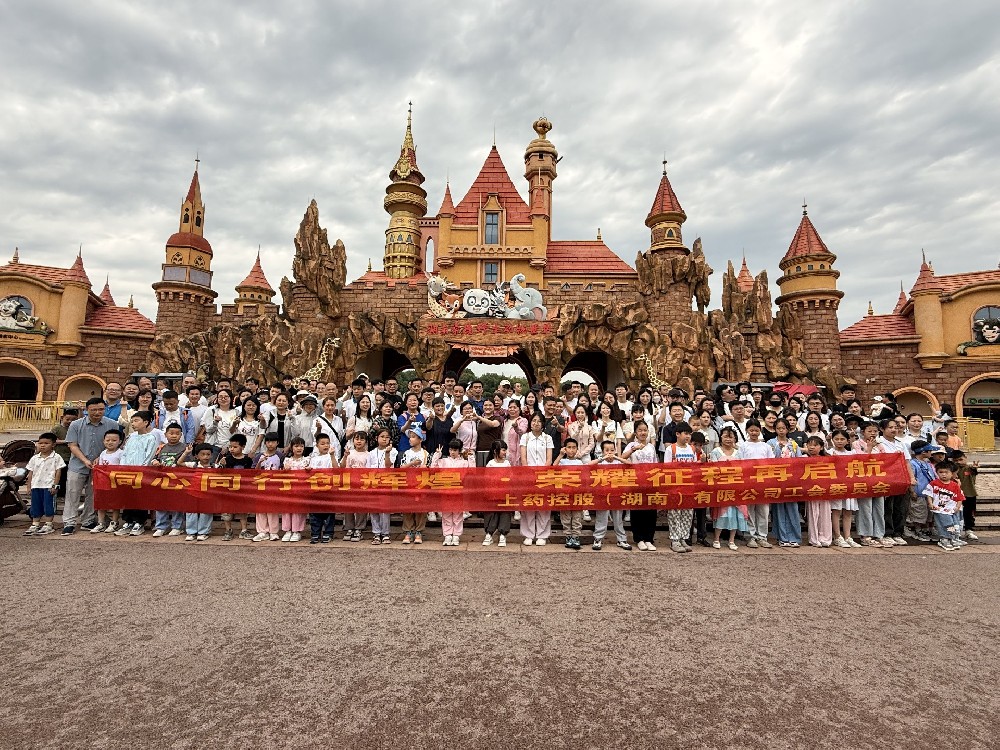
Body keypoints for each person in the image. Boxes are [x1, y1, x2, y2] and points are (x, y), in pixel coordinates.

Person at [62, 397, 120, 535]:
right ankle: (69, 522)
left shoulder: (112, 424)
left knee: (93, 494)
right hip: (78, 464)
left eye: (101, 409)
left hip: (100, 466)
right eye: (93, 410)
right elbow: (72, 445)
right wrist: (84, 460)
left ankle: (88, 520)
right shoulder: (76, 424)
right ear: (87, 410)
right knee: (72, 493)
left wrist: (100, 458)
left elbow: (115, 444)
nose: (97, 412)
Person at [115, 411, 160, 537]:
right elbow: (125, 453)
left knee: (140, 497)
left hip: (141, 473)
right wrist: (123, 468)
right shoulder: (131, 437)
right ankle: (128, 521)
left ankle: (140, 521)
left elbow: (149, 455)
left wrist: (142, 470)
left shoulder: (151, 438)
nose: (133, 424)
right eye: (132, 421)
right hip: (127, 472)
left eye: (136, 421)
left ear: (145, 422)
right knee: (128, 497)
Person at [661, 422, 702, 553]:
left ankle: (683, 538)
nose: (688, 436)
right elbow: (666, 469)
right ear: (678, 434)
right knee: (674, 514)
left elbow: (695, 468)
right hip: (675, 486)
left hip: (688, 487)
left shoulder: (692, 449)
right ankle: (674, 540)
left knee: (688, 514)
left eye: (689, 434)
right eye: (685, 433)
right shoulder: (671, 449)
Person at [709, 427, 749, 550]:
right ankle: (716, 539)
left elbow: (743, 469)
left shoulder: (739, 453)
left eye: (731, 437)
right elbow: (713, 469)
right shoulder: (715, 452)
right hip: (721, 488)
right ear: (721, 437)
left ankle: (732, 540)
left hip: (736, 487)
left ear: (735, 439)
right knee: (721, 514)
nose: (728, 439)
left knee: (736, 514)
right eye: (725, 436)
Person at [622, 421, 658, 551]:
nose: (643, 433)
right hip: (636, 481)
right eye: (640, 430)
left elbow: (655, 463)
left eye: (645, 430)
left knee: (650, 511)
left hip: (650, 482)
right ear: (636, 433)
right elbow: (622, 458)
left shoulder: (651, 447)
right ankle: (639, 539)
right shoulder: (631, 445)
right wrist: (633, 449)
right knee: (637, 511)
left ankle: (649, 539)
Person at [589, 440, 632, 551]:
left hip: (617, 494)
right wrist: (602, 458)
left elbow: (630, 464)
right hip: (603, 495)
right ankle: (598, 539)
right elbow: (588, 465)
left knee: (618, 518)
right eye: (607, 450)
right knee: (601, 518)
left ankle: (622, 539)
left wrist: (617, 457)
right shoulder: (600, 462)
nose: (609, 452)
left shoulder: (618, 462)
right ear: (602, 451)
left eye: (612, 450)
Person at [519, 413, 554, 545]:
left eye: (539, 421)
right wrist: (529, 473)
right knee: (529, 503)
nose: (536, 423)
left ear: (543, 424)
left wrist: (542, 473)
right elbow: (523, 458)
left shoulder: (547, 438)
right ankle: (528, 534)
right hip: (528, 475)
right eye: (534, 420)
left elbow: (549, 459)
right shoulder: (525, 437)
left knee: (543, 505)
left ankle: (542, 535)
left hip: (544, 476)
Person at [150, 423, 190, 537]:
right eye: (171, 433)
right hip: (162, 480)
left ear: (181, 435)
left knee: (177, 503)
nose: (174, 436)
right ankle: (161, 526)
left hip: (178, 480)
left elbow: (189, 463)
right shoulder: (161, 447)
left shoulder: (185, 448)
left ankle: (177, 526)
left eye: (177, 434)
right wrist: (155, 462)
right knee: (161, 503)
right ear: (166, 434)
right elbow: (154, 459)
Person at [433, 438, 475, 546]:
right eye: (451, 449)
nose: (452, 452)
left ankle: (456, 535)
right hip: (446, 491)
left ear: (459, 451)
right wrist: (437, 455)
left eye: (455, 450)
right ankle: (447, 535)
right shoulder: (444, 461)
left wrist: (470, 457)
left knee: (457, 514)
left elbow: (472, 471)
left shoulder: (464, 462)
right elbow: (433, 468)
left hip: (458, 492)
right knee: (446, 513)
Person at [23, 432, 65, 536]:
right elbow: (31, 473)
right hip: (36, 485)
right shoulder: (35, 458)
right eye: (40, 443)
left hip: (48, 486)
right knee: (35, 505)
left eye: (46, 443)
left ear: (53, 444)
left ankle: (48, 524)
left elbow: (58, 472)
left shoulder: (56, 457)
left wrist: (55, 485)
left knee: (48, 505)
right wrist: (29, 486)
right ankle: (35, 524)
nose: (42, 445)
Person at [853, 421, 888, 548]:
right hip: (863, 480)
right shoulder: (856, 444)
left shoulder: (880, 445)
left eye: (875, 431)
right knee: (865, 507)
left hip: (878, 480)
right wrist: (869, 448)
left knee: (879, 508)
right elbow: (860, 460)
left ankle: (879, 534)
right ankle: (865, 535)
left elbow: (886, 461)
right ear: (863, 432)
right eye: (870, 431)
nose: (873, 433)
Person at [829, 429, 862, 548]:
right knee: (836, 511)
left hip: (849, 485)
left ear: (847, 441)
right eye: (836, 439)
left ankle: (848, 536)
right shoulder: (829, 452)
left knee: (848, 511)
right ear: (832, 440)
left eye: (842, 439)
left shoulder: (851, 453)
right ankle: (837, 536)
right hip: (836, 485)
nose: (839, 441)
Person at [218, 434, 254, 541]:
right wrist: (221, 465)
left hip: (242, 490)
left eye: (235, 447)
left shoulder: (248, 460)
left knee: (242, 510)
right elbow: (219, 473)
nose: (232, 449)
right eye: (230, 447)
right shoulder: (227, 459)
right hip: (228, 490)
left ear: (243, 447)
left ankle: (244, 530)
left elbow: (250, 475)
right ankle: (228, 530)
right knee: (226, 511)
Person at [923, 460, 965, 551]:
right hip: (939, 509)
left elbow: (960, 497)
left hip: (951, 509)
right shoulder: (934, 484)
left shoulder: (955, 485)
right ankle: (944, 538)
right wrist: (930, 504)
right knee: (944, 523)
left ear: (952, 473)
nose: (943, 474)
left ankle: (952, 537)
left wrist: (957, 507)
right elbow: (929, 494)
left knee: (954, 524)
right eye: (941, 472)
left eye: (946, 472)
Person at [553, 438, 585, 550]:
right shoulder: (562, 462)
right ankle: (568, 535)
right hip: (564, 493)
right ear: (565, 449)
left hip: (576, 493)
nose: (571, 450)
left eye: (574, 447)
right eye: (569, 447)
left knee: (577, 516)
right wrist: (560, 455)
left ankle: (576, 536)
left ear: (577, 449)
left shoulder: (580, 462)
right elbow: (553, 467)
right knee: (565, 516)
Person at [367, 428, 398, 544]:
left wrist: (387, 453)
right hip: (373, 482)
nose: (385, 439)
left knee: (384, 509)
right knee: (374, 509)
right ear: (377, 438)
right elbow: (367, 469)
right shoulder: (371, 453)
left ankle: (385, 533)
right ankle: (376, 533)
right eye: (382, 436)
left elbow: (388, 465)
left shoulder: (393, 451)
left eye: (387, 437)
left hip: (386, 482)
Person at [91, 430, 125, 534]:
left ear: (120, 442)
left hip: (115, 482)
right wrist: (95, 480)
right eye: (108, 440)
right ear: (103, 441)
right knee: (101, 503)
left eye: (114, 440)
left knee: (115, 503)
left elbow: (122, 467)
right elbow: (100, 468)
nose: (110, 442)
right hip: (103, 482)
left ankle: (114, 522)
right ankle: (101, 523)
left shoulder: (121, 453)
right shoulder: (102, 453)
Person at [400, 426, 429, 544]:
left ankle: (419, 531)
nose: (410, 439)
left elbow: (429, 468)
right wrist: (412, 463)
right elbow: (401, 468)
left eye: (413, 437)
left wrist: (424, 467)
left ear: (420, 439)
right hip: (408, 483)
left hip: (421, 484)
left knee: (420, 508)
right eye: (410, 437)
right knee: (408, 508)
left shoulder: (425, 453)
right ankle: (408, 531)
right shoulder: (406, 453)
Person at [339, 432, 370, 541]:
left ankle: (359, 528)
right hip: (350, 483)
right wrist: (345, 456)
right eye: (357, 439)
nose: (359, 441)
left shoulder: (368, 455)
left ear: (366, 442)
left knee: (361, 506)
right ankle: (349, 527)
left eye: (362, 439)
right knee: (349, 506)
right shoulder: (349, 453)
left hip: (362, 484)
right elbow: (342, 467)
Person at [803, 436, 833, 547]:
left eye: (815, 445)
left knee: (825, 515)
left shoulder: (827, 458)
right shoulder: (803, 458)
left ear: (821, 447)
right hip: (811, 490)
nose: (812, 447)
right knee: (813, 514)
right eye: (809, 445)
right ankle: (814, 539)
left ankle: (825, 538)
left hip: (825, 490)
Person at [482, 440, 512, 547]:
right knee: (491, 513)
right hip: (493, 493)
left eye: (505, 450)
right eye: (503, 450)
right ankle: (489, 533)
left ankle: (503, 534)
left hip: (505, 492)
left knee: (505, 513)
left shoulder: (507, 463)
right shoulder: (490, 464)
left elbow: (510, 477)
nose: (505, 452)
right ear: (495, 451)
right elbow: (487, 479)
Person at [308, 434, 338, 544]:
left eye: (327, 443)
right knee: (315, 513)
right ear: (317, 445)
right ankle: (315, 533)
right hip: (316, 490)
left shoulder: (332, 457)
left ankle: (328, 533)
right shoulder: (313, 459)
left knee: (329, 512)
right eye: (322, 444)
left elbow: (336, 469)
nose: (325, 445)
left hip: (329, 489)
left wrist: (332, 455)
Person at [50, 408, 78, 500]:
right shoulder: (57, 429)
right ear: (62, 418)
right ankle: (58, 494)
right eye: (67, 419)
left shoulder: (75, 429)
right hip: (59, 456)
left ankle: (65, 494)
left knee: (67, 477)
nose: (70, 422)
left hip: (71, 457)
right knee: (59, 476)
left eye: (73, 420)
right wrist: (66, 441)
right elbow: (52, 440)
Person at [952, 451, 979, 541]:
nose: (959, 462)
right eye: (956, 460)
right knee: (955, 513)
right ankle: (955, 531)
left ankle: (969, 530)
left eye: (961, 459)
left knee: (969, 513)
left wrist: (974, 467)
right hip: (956, 495)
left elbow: (974, 469)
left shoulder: (969, 468)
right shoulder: (952, 469)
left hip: (969, 493)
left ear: (965, 458)